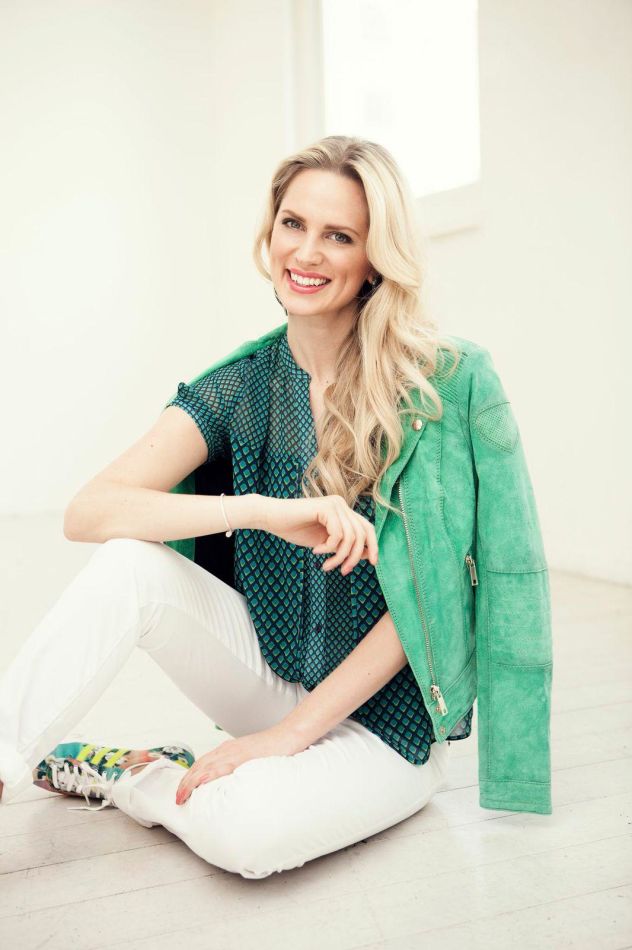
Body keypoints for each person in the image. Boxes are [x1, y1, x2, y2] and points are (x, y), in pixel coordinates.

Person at [0, 135, 552, 879]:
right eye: (294, 224)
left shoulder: (442, 386)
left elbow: (435, 595)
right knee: (129, 564)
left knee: (246, 836)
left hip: (386, 727)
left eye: (340, 236)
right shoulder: (242, 385)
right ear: (271, 231)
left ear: (375, 257)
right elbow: (90, 512)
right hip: (270, 677)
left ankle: (139, 776)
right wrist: (258, 509)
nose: (308, 252)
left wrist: (284, 740)